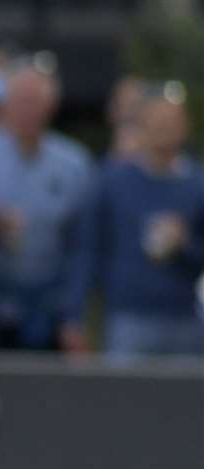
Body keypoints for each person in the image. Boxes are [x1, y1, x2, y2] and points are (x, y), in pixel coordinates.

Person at [62, 87, 204, 362]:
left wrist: (184, 243)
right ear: (141, 126)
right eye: (156, 121)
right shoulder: (112, 181)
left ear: (184, 126)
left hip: (184, 319)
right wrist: (73, 314)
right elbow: (87, 249)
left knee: (185, 403)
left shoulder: (197, 186)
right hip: (127, 318)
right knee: (125, 399)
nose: (164, 128)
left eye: (171, 121)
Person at [0, 66, 94, 350]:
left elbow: (81, 246)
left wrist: (72, 314)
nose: (26, 111)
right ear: (4, 106)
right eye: (19, 101)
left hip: (47, 301)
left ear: (51, 107)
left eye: (34, 102)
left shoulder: (74, 164)